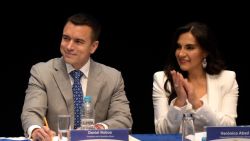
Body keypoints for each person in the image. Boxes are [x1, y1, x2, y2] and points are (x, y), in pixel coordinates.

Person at [21, 13, 133, 140]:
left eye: (78, 41)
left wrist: (96, 130)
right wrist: (36, 129)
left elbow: (123, 119)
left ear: (93, 47)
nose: (69, 47)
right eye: (66, 38)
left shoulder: (113, 77)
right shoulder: (42, 72)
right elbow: (31, 112)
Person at [152, 22, 238, 134]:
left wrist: (197, 103)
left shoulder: (227, 79)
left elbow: (229, 130)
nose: (181, 54)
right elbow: (162, 132)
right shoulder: (161, 79)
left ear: (205, 52)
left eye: (189, 47)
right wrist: (180, 101)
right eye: (178, 47)